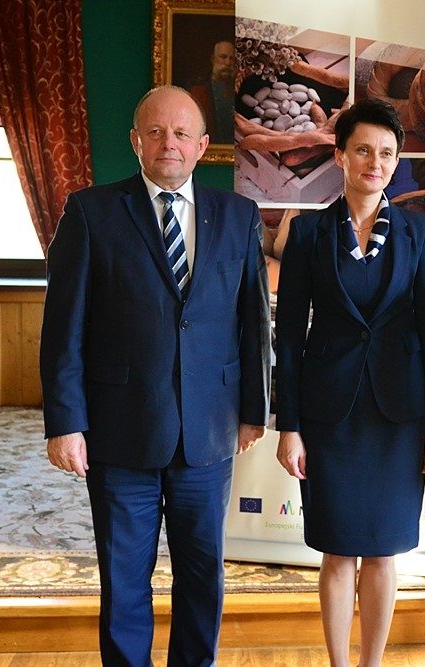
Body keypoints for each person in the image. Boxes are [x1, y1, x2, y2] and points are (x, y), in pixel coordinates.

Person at [40, 85, 271, 666]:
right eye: (156, 131)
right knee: (124, 583)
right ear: (135, 141)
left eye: (182, 133)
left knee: (203, 578)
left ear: (202, 145)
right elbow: (63, 327)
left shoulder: (238, 216)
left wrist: (254, 409)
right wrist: (65, 423)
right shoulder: (90, 212)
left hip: (208, 433)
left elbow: (254, 321)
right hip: (119, 433)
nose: (170, 142)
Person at [274, 98, 425, 667]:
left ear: (396, 161)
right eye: (363, 151)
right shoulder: (307, 232)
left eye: (387, 153)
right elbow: (289, 338)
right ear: (340, 156)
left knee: (382, 552)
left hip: (399, 413)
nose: (375, 163)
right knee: (336, 551)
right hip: (330, 413)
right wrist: (289, 426)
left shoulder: (419, 231)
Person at [188, 40, 236, 144]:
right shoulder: (198, 89)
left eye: (231, 58)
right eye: (223, 57)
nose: (228, 63)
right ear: (213, 59)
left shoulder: (239, 87)